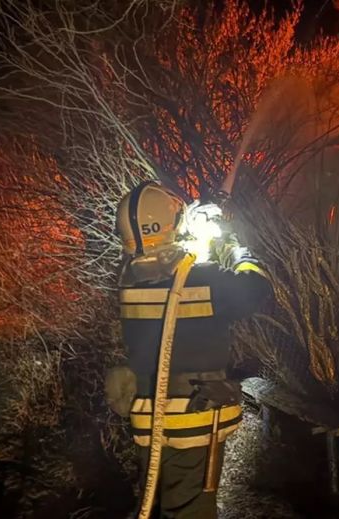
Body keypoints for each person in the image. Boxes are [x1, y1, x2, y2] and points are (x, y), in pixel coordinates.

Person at [106, 180, 270, 518]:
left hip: (148, 418)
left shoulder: (127, 280)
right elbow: (256, 287)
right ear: (172, 224)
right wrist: (231, 244)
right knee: (190, 511)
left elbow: (170, 274)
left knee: (154, 504)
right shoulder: (201, 279)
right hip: (194, 418)